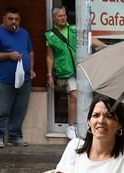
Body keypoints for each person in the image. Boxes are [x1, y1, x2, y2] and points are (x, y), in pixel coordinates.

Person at [45, 6, 105, 140]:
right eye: (60, 16)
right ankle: (71, 127)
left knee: (88, 96)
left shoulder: (74, 29)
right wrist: (49, 75)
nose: (63, 18)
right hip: (66, 70)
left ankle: (87, 123)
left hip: (82, 67)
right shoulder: (49, 35)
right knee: (74, 96)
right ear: (54, 18)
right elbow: (50, 56)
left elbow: (90, 40)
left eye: (64, 15)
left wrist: (105, 47)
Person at [0, 7, 35, 148]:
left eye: (16, 19)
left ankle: (15, 137)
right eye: (10, 18)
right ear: (4, 19)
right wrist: (8, 55)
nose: (14, 21)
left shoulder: (24, 33)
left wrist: (31, 69)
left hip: (24, 79)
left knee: (20, 109)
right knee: (1, 109)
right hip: (3, 80)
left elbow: (30, 52)